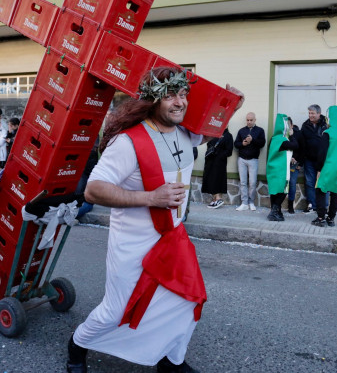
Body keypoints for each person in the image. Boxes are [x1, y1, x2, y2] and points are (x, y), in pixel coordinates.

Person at [67, 66, 244, 373]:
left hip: (172, 239)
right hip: (133, 246)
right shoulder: (127, 142)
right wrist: (151, 197)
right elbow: (93, 191)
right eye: (170, 96)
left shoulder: (184, 132)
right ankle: (77, 346)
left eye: (183, 94)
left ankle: (171, 361)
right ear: (152, 99)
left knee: (184, 302)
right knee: (117, 310)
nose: (180, 102)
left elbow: (208, 132)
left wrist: (231, 108)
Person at [311, 106, 337, 227]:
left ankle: (321, 217)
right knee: (335, 192)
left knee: (320, 189)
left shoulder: (328, 133)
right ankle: (331, 218)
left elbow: (322, 153)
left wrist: (319, 168)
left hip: (328, 166)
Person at [265, 114, 298, 221]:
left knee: (275, 191)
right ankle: (274, 211)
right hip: (281, 170)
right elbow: (295, 146)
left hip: (273, 168)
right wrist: (292, 135)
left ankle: (276, 212)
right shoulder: (282, 140)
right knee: (283, 190)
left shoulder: (274, 138)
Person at [233, 112, 265, 211]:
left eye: (251, 120)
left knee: (252, 182)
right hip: (242, 159)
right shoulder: (241, 131)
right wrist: (242, 143)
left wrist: (252, 140)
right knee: (243, 182)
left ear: (255, 120)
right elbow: (236, 144)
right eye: (247, 120)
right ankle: (244, 203)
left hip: (253, 160)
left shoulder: (260, 130)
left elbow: (262, 143)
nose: (249, 122)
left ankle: (251, 202)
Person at [301, 104, 328, 213]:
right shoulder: (305, 125)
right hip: (309, 159)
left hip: (323, 160)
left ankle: (324, 207)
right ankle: (312, 205)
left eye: (312, 113)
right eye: (309, 113)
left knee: (323, 182)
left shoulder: (325, 125)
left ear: (319, 113)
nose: (310, 115)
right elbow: (302, 142)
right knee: (309, 182)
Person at [201, 128, 233, 209]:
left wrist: (218, 154)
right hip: (210, 161)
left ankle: (218, 198)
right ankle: (215, 200)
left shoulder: (228, 136)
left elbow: (229, 151)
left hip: (219, 162)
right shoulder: (214, 134)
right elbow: (208, 145)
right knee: (209, 179)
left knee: (216, 179)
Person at [286, 117, 305, 214]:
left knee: (292, 183)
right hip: (284, 163)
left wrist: (299, 162)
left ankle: (290, 206)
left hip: (294, 164)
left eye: (288, 125)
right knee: (283, 183)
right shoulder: (280, 135)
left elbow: (302, 149)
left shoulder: (298, 134)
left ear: (292, 125)